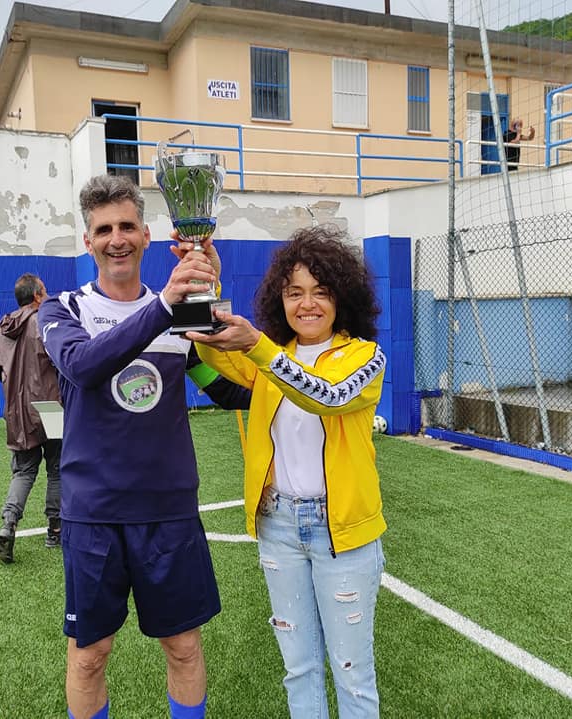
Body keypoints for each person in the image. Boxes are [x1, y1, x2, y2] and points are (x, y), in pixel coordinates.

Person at [38, 174, 250, 719]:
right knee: (89, 656)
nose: (117, 239)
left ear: (146, 235)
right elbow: (83, 367)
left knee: (183, 647)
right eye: (104, 229)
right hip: (94, 513)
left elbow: (228, 388)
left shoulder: (181, 317)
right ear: (88, 241)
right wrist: (165, 309)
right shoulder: (62, 310)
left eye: (127, 226)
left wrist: (208, 293)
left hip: (168, 510)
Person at [189, 224, 388, 719]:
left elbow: (327, 395)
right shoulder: (273, 356)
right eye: (294, 292)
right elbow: (210, 351)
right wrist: (207, 284)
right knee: (298, 669)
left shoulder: (365, 357)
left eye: (321, 291)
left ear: (343, 297)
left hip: (343, 532)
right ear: (280, 299)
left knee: (352, 673)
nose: (307, 304)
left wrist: (260, 346)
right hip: (277, 524)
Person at [0, 273, 62, 563]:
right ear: (36, 296)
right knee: (58, 468)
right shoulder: (45, 321)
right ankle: (55, 530)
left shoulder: (1, 331)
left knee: (23, 472)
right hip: (50, 407)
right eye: (45, 290)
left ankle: (8, 525)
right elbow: (62, 361)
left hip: (17, 411)